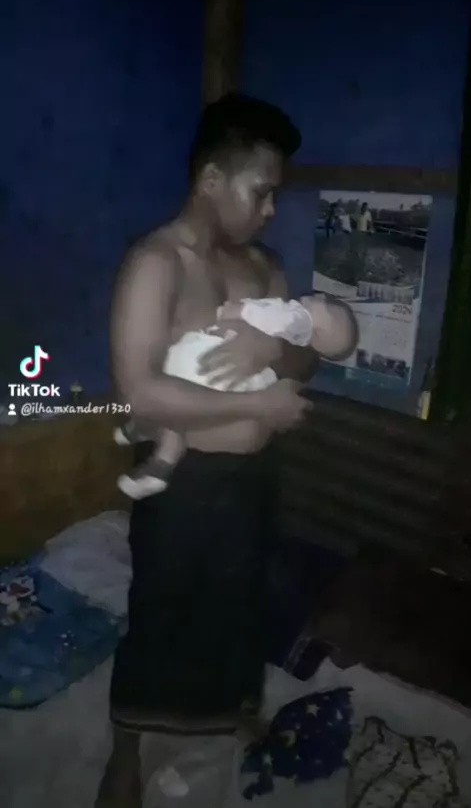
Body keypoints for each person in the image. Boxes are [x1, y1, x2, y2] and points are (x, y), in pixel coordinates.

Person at [96, 93, 357, 807]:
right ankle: (126, 748)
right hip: (183, 485)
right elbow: (139, 392)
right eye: (260, 191)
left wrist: (272, 350)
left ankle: (227, 706)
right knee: (162, 608)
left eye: (275, 195)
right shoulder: (156, 263)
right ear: (211, 179)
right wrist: (256, 405)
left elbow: (307, 357)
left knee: (240, 600)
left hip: (254, 476)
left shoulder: (265, 269)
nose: (270, 210)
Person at [115, 292, 356, 499]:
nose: (322, 296)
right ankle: (161, 457)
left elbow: (265, 316)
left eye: (329, 306)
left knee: (174, 368)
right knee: (181, 399)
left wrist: (236, 310)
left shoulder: (298, 318)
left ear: (321, 334)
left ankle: (150, 430)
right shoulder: (297, 347)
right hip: (238, 383)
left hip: (216, 358)